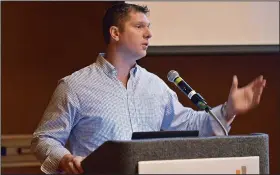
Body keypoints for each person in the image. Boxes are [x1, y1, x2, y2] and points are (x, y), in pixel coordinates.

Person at [31, 3, 266, 174]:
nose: (149, 34)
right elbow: (44, 138)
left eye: (149, 27)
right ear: (115, 33)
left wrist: (228, 110)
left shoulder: (155, 86)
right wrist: (65, 159)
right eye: (139, 26)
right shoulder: (75, 85)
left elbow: (190, 125)